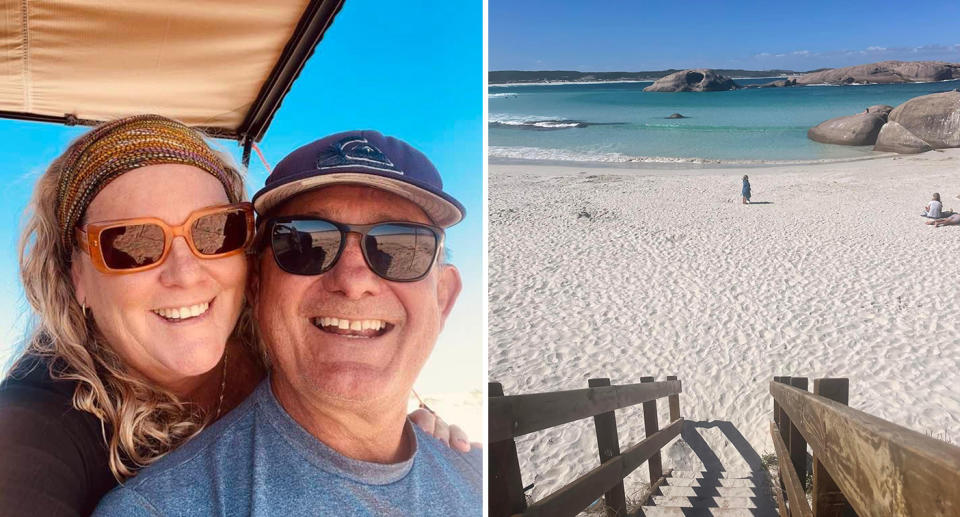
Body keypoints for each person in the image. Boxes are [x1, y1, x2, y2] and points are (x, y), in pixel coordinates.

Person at [0, 117, 467, 517]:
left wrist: (410, 439)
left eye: (214, 231)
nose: (184, 273)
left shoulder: (267, 338)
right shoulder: (38, 427)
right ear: (74, 275)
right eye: (133, 244)